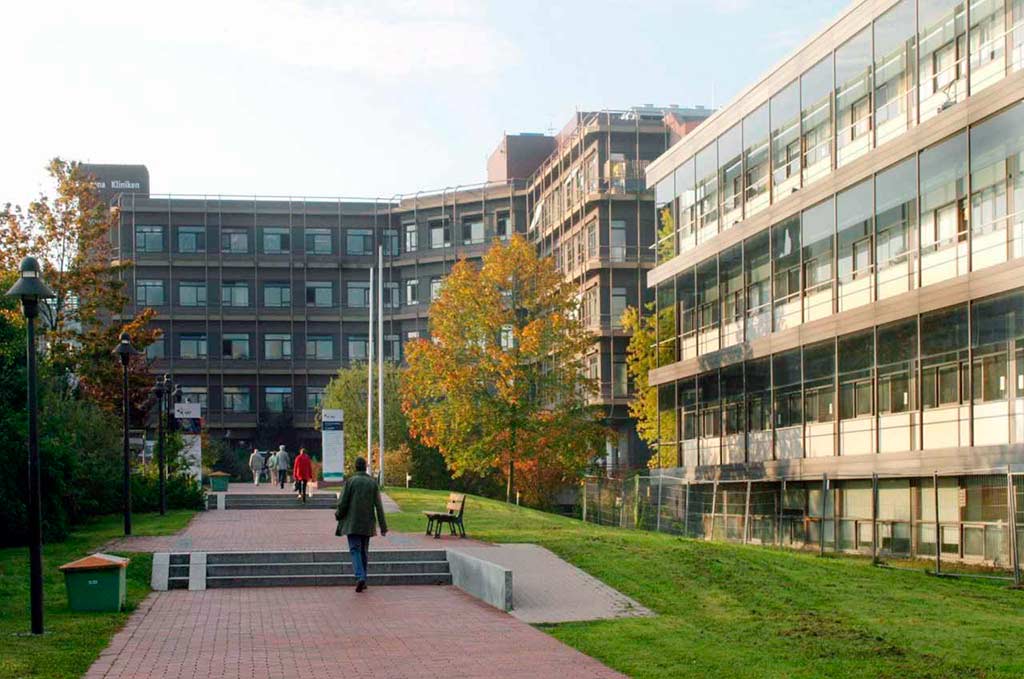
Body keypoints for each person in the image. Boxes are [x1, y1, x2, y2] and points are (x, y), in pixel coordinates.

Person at [334, 456, 388, 592]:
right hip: (367, 523)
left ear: (355, 467)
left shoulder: (350, 482)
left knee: (355, 550)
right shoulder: (372, 483)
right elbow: (379, 506)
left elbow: (343, 502)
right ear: (365, 467)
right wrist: (383, 526)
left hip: (352, 523)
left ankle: (360, 577)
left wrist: (338, 514)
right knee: (364, 551)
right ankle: (363, 579)